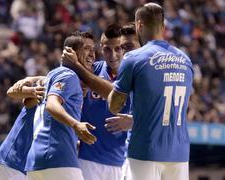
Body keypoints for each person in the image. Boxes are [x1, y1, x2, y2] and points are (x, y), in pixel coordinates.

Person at [108, 3, 193, 180]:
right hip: (180, 154)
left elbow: (114, 106)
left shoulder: (134, 58)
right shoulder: (185, 60)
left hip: (145, 151)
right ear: (163, 26)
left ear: (139, 25)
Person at [62, 24, 140, 180]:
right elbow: (60, 80)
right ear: (101, 49)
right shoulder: (92, 70)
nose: (113, 55)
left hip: (121, 162)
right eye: (107, 49)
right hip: (87, 159)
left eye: (118, 49)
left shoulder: (137, 77)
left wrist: (134, 121)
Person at [25, 34, 96, 180]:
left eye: (93, 49)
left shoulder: (51, 75)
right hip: (58, 158)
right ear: (70, 52)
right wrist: (76, 124)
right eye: (86, 48)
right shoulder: (68, 75)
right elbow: (52, 104)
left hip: (36, 161)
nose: (92, 54)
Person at [0, 78, 45, 180]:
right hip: (13, 161)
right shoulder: (43, 92)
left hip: (29, 166)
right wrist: (31, 82)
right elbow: (11, 92)